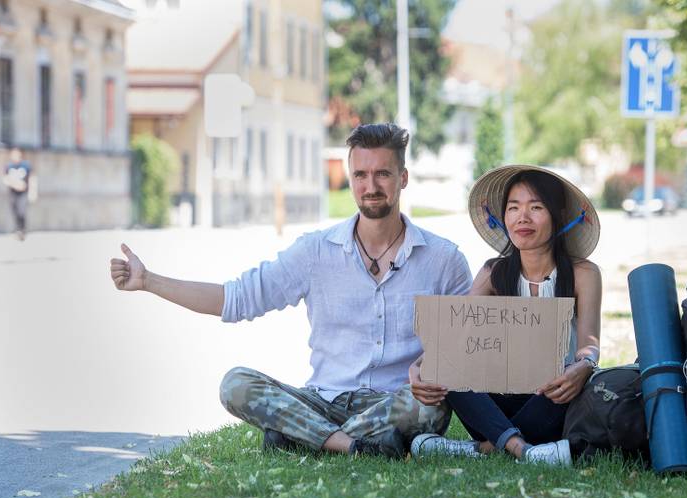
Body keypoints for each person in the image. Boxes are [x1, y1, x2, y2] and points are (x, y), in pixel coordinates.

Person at [110, 123, 472, 458]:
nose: (370, 186)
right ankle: (355, 446)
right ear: (349, 179)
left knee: (433, 406)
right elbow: (236, 299)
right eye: (360, 174)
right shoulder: (315, 251)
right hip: (321, 398)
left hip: (394, 400)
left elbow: (467, 341)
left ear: (403, 178)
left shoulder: (443, 259)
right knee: (235, 384)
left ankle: (304, 437)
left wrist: (426, 368)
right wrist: (148, 281)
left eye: (382, 174)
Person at [409, 165, 602, 465]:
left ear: (559, 216)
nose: (522, 218)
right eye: (513, 208)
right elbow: (452, 339)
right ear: (504, 217)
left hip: (553, 396)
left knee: (582, 388)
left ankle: (483, 448)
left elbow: (589, 340)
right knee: (449, 370)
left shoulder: (583, 274)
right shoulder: (493, 272)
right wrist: (418, 368)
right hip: (500, 397)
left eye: (536, 207)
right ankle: (523, 449)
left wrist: (584, 366)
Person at [2, 148, 32, 240]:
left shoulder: (26, 165)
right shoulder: (8, 166)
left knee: (22, 211)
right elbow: (5, 179)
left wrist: (32, 192)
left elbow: (32, 178)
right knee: (15, 211)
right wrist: (15, 185)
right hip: (13, 192)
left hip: (23, 192)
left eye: (18, 155)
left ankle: (22, 230)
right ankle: (17, 230)